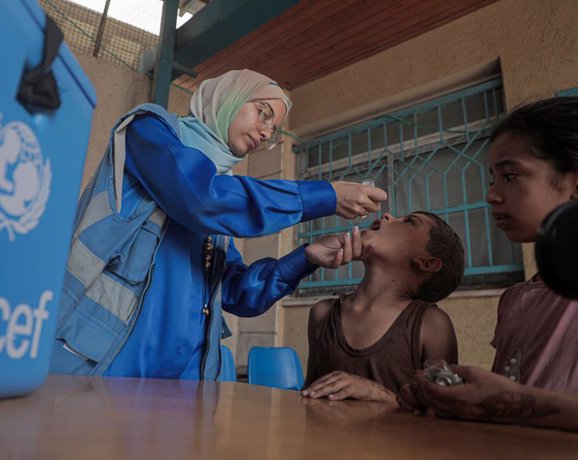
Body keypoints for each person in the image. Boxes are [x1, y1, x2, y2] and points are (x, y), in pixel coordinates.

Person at [49, 69, 387, 380]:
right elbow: (199, 196)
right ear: (229, 97)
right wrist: (323, 197)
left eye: (272, 130)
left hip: (178, 385)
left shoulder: (222, 196)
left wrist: (306, 257)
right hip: (100, 362)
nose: (266, 132)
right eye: (263, 113)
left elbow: (239, 293)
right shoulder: (149, 131)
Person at [398, 96, 578, 430]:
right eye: (491, 178)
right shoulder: (515, 300)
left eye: (510, 175)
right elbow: (508, 397)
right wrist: (453, 398)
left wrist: (510, 405)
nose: (492, 195)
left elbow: (512, 403)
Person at [301, 211, 464, 405]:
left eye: (409, 221)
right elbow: (308, 398)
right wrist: (306, 256)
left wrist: (378, 394)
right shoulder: (323, 314)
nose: (387, 215)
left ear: (427, 262)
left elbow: (444, 414)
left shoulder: (431, 325)